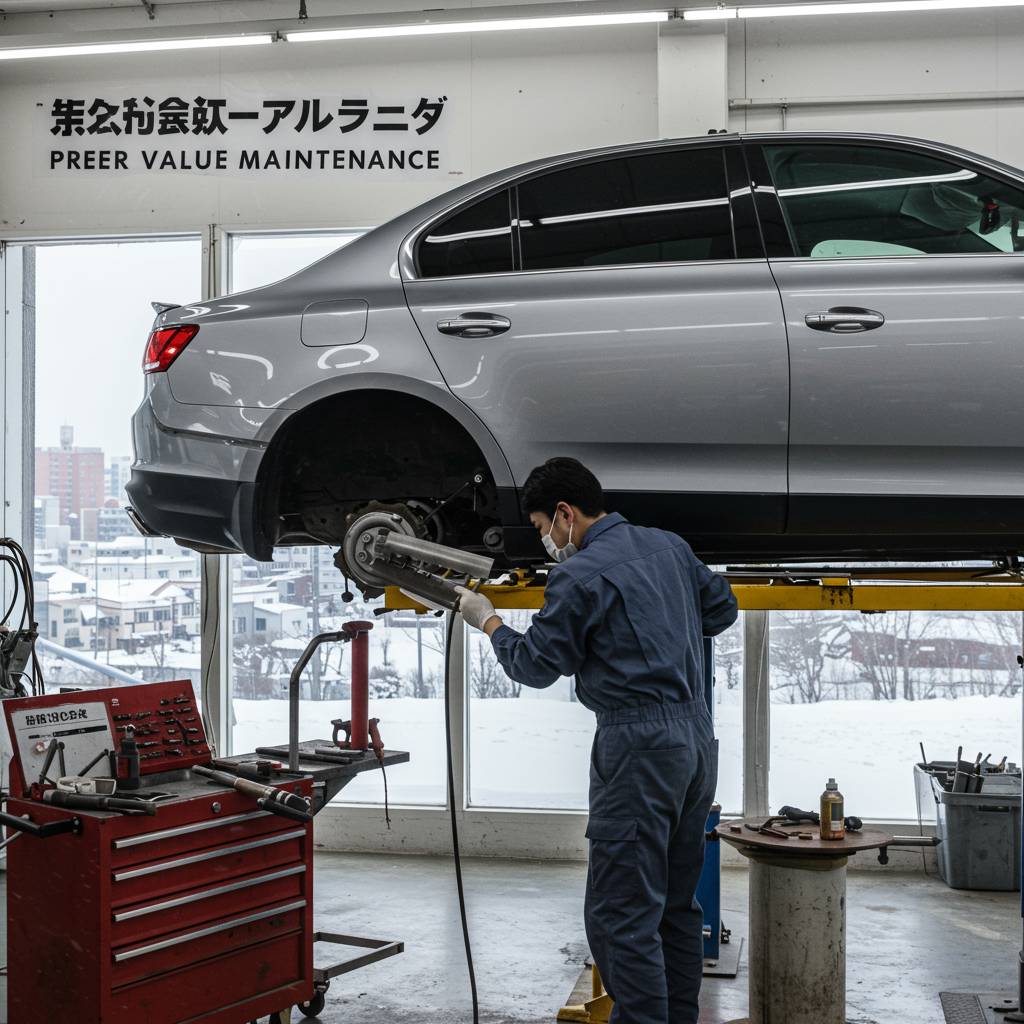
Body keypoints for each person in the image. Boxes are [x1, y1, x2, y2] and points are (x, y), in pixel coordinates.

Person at [456, 457, 737, 1024]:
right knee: (676, 908)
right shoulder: (668, 546)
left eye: (541, 529)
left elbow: (537, 666)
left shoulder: (577, 575)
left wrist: (488, 621)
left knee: (622, 914)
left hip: (637, 749)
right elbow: (722, 609)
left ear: (565, 514)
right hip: (695, 740)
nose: (546, 543)